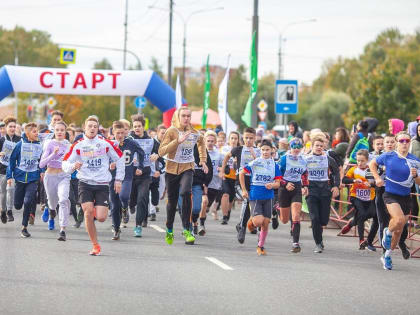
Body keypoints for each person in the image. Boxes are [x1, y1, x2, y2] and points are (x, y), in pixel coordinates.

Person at [62, 116, 125, 256]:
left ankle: (97, 210)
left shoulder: (105, 144)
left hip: (102, 183)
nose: (92, 128)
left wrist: (119, 179)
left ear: (98, 129)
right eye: (89, 126)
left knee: (102, 217)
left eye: (94, 126)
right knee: (88, 212)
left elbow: (119, 159)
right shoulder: (78, 145)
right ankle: (95, 245)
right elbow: (65, 163)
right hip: (85, 183)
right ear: (84, 127)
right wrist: (73, 166)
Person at [370, 131, 420, 270]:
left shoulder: (415, 160)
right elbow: (372, 164)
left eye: (407, 141)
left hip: (406, 197)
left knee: (398, 231)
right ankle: (387, 232)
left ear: (410, 143)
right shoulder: (389, 155)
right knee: (398, 221)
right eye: (402, 140)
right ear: (397, 142)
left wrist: (416, 177)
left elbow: (419, 182)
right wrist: (378, 178)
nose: (404, 143)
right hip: (390, 194)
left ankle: (387, 255)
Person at [158, 107, 207, 245]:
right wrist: (177, 141)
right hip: (172, 169)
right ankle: (169, 228)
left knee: (186, 193)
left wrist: (202, 160)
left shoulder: (194, 132)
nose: (186, 118)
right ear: (178, 117)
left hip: (188, 167)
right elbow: (161, 151)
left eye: (188, 116)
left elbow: (201, 142)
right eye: (184, 116)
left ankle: (187, 229)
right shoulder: (171, 131)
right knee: (172, 202)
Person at [240, 139, 281, 255]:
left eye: (267, 150)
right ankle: (251, 222)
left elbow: (278, 183)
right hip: (255, 195)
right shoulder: (255, 162)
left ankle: (260, 246)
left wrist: (272, 185)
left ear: (272, 150)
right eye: (263, 150)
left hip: (269, 196)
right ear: (260, 150)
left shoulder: (275, 165)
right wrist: (244, 190)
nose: (265, 152)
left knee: (265, 223)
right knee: (258, 221)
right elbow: (242, 173)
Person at [221, 127, 261, 244]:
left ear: (255, 138)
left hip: (254, 182)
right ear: (243, 138)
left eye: (251, 138)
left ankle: (241, 224)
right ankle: (242, 229)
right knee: (246, 200)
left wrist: (255, 157)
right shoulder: (238, 149)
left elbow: (263, 164)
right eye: (246, 138)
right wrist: (222, 171)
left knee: (253, 204)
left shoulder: (258, 151)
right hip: (240, 182)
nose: (248, 140)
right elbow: (227, 157)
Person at [304, 135, 340, 253]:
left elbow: (336, 172)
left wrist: (335, 186)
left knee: (323, 220)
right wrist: (303, 186)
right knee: (314, 218)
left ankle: (319, 237)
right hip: (311, 190)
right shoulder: (306, 159)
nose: (319, 147)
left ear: (324, 146)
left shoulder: (328, 159)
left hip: (325, 190)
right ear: (312, 146)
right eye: (316, 145)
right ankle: (318, 243)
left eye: (321, 145)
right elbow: (301, 174)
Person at [7, 123, 43, 238]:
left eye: (37, 131)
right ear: (27, 133)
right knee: (17, 205)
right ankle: (18, 206)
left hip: (33, 178)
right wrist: (9, 176)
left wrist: (42, 170)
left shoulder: (40, 145)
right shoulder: (20, 145)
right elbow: (12, 161)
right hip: (20, 178)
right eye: (34, 131)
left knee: (28, 201)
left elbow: (42, 160)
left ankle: (24, 227)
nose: (37, 133)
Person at [109, 121, 144, 240]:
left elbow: (141, 153)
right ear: (113, 133)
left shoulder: (131, 143)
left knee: (123, 197)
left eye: (122, 133)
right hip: (112, 177)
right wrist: (109, 164)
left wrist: (140, 167)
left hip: (127, 176)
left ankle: (125, 208)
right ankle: (116, 228)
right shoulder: (109, 144)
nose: (119, 135)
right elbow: (102, 157)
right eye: (117, 133)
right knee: (114, 205)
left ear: (125, 132)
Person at [39, 121, 71, 241]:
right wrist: (53, 153)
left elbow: (72, 161)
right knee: (52, 203)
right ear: (54, 131)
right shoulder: (49, 144)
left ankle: (62, 230)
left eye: (62, 130)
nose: (59, 132)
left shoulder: (68, 145)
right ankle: (51, 213)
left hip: (63, 176)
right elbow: (42, 163)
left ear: (65, 132)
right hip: (50, 176)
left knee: (63, 200)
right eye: (57, 130)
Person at [129, 114, 160, 236]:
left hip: (145, 175)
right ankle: (130, 206)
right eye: (135, 126)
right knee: (131, 200)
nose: (137, 128)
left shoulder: (151, 141)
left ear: (143, 127)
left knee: (142, 198)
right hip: (131, 174)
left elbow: (161, 152)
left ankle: (138, 226)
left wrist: (156, 155)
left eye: (139, 126)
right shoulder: (129, 140)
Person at [341, 149, 378, 251]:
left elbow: (377, 183)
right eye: (358, 160)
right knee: (361, 214)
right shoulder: (353, 170)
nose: (360, 163)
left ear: (367, 160)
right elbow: (344, 179)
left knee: (371, 213)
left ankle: (351, 224)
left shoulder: (371, 170)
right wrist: (353, 180)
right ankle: (361, 240)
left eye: (362, 161)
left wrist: (371, 184)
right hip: (355, 196)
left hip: (369, 197)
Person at [277, 138, 308, 253]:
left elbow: (304, 173)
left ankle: (296, 243)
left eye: (298, 147)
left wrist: (305, 186)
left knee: (296, 216)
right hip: (284, 187)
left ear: (301, 148)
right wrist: (285, 184)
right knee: (284, 220)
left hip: (296, 188)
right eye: (294, 147)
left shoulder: (303, 159)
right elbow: (277, 174)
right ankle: (277, 208)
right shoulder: (284, 158)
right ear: (290, 147)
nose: (296, 149)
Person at [199, 130, 223, 235]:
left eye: (212, 141)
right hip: (202, 182)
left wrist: (221, 170)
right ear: (204, 141)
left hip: (214, 184)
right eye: (208, 140)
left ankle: (199, 220)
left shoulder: (219, 155)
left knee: (206, 207)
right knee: (203, 203)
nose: (210, 142)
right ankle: (200, 224)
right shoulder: (200, 153)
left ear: (215, 142)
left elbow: (224, 169)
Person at [0, 116, 21, 224]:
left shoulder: (19, 140)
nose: (12, 128)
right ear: (6, 127)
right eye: (10, 126)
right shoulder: (2, 140)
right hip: (2, 169)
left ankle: (9, 211)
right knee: (3, 192)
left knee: (11, 189)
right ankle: (2, 211)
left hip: (13, 170)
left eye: (14, 126)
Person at [220, 131, 240, 225]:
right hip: (226, 176)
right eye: (232, 138)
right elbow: (221, 161)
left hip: (236, 177)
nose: (233, 140)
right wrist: (222, 171)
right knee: (225, 194)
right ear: (229, 139)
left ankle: (228, 212)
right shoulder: (224, 149)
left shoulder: (241, 149)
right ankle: (224, 216)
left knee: (231, 198)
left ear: (238, 140)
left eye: (235, 138)